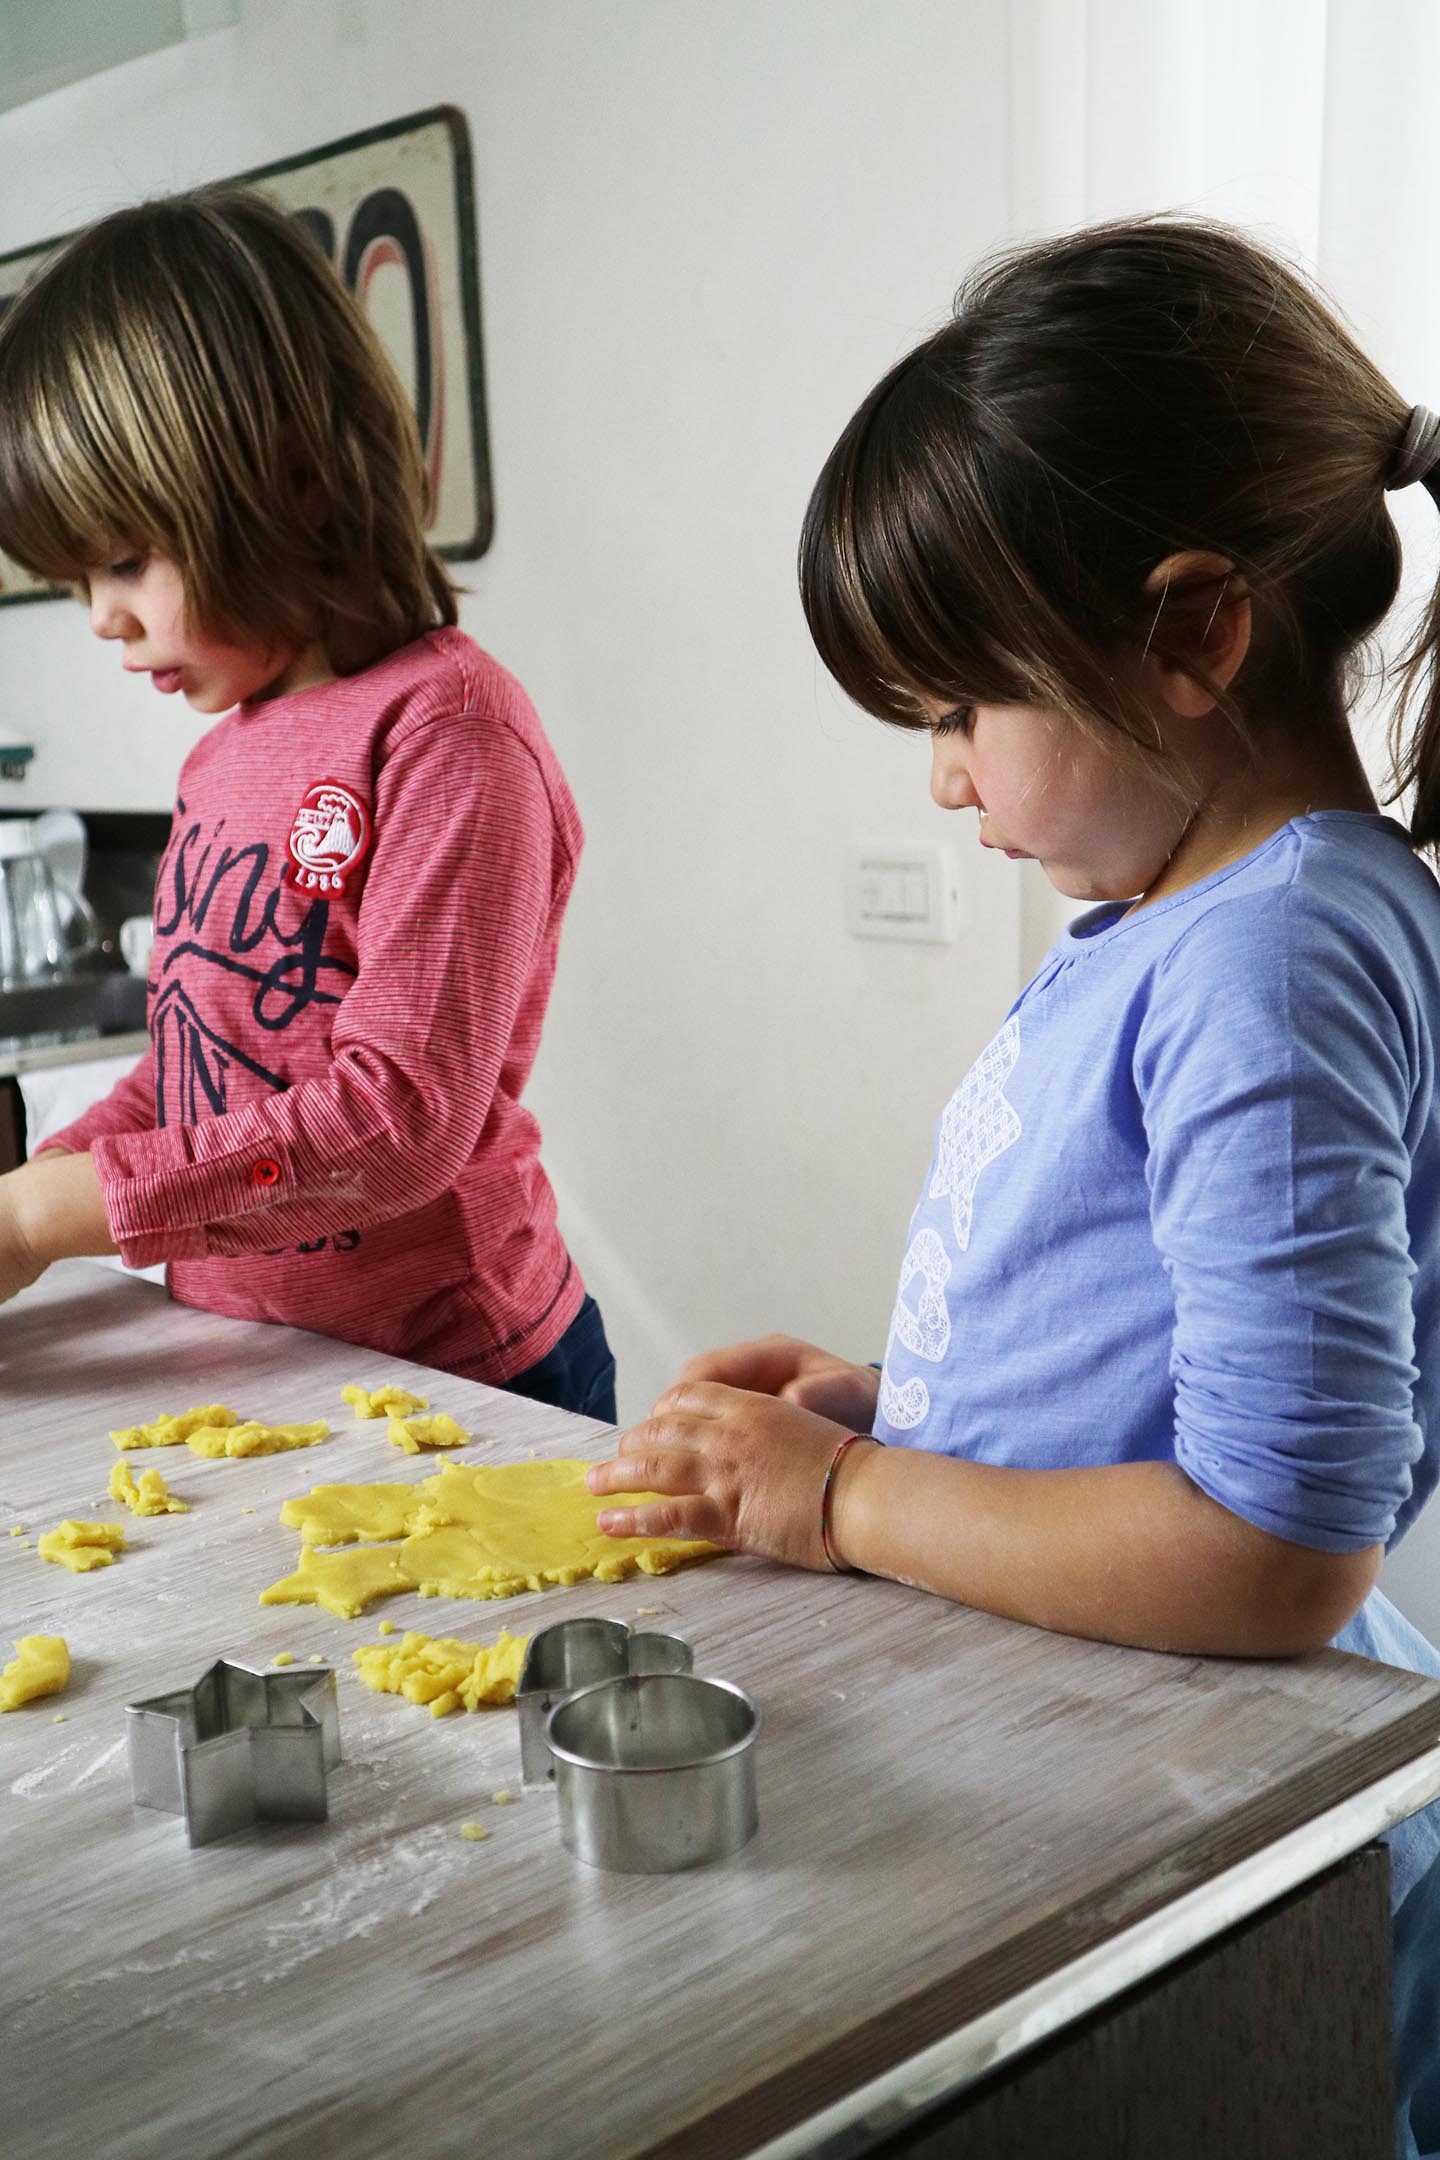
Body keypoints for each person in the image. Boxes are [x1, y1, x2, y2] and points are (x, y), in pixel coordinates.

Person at [586, 218, 1440, 2153]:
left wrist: (847, 1500)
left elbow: (1278, 1552)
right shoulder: (1196, 916)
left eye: (961, 712)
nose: (947, 786)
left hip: (1231, 1833)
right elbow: (1163, 1353)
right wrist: (903, 1411)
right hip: (1132, 1752)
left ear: (1192, 632)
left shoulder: (1265, 960)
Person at [0, 186, 614, 1422]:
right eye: (79, 579)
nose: (103, 618)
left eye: (125, 562)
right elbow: (198, 1080)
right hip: (257, 1364)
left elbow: (396, 1119)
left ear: (294, 484)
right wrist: (47, 1181)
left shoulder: (447, 731)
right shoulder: (221, 761)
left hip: (465, 1377)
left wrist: (50, 1211)